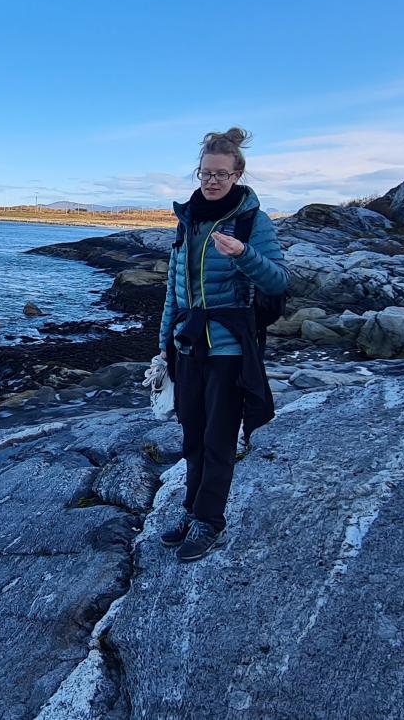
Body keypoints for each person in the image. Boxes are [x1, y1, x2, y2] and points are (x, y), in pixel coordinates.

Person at [156, 128, 289, 562]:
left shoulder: (252, 222)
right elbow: (174, 292)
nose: (212, 181)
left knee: (218, 439)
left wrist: (242, 254)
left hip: (230, 349)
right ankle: (192, 510)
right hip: (188, 346)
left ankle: (210, 521)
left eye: (221, 174)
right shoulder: (188, 220)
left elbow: (279, 280)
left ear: (237, 174)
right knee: (192, 437)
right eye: (205, 173)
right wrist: (164, 345)